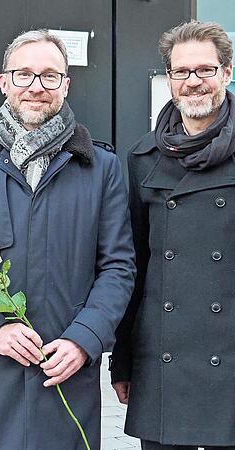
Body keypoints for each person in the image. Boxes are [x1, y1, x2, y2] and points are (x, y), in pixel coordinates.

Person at [0, 29, 136, 449]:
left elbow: (118, 266)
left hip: (64, 372)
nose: (36, 87)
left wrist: (85, 339)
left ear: (66, 85)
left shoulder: (102, 168)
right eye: (23, 75)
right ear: (4, 82)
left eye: (49, 76)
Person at [111, 21, 235, 450]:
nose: (193, 82)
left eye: (205, 69)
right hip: (166, 362)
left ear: (226, 73)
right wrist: (122, 362)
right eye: (182, 72)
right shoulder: (143, 157)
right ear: (169, 79)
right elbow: (134, 268)